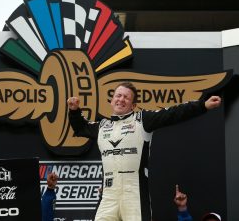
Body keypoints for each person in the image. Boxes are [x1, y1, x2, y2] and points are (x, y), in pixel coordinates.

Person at [67, 82, 222, 221]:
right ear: (112, 100)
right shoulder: (101, 126)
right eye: (118, 95)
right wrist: (74, 111)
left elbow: (173, 113)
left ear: (133, 105)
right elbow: (81, 127)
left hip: (134, 195)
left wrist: (202, 105)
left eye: (126, 97)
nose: (121, 99)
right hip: (108, 195)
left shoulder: (142, 120)